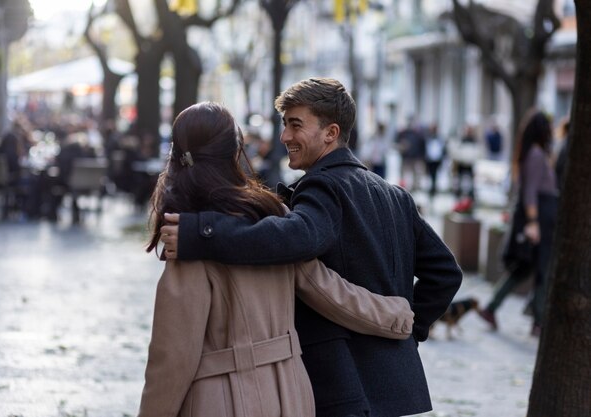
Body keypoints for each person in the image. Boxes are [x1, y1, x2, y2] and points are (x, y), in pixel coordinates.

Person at [160, 78, 463, 417]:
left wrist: (199, 231)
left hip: (344, 387)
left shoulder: (322, 186)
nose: (284, 136)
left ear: (330, 133)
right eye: (284, 124)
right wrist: (408, 333)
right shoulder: (393, 195)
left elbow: (296, 237)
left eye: (295, 125)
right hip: (400, 387)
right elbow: (446, 273)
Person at [478, 110, 559, 337]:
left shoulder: (535, 153)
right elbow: (531, 191)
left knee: (526, 268)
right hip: (539, 218)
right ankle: (538, 321)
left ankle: (493, 307)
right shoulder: (535, 155)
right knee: (540, 268)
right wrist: (533, 222)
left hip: (541, 216)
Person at [394, 115, 426, 191]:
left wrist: (421, 158)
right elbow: (396, 144)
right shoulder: (402, 133)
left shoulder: (418, 134)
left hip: (415, 158)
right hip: (405, 158)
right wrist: (401, 146)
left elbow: (422, 146)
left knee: (415, 175)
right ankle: (403, 188)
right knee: (404, 175)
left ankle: (414, 188)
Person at [423, 123, 446, 198]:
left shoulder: (440, 138)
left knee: (435, 174)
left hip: (436, 160)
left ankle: (433, 188)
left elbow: (443, 149)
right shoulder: (428, 137)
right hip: (429, 159)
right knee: (429, 174)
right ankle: (430, 188)